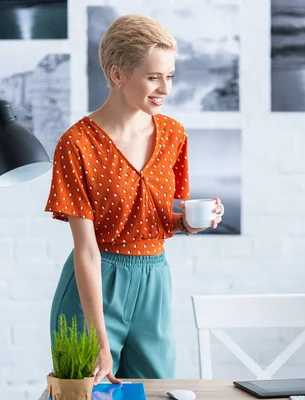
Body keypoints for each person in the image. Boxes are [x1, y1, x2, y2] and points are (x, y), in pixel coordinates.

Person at [44, 14, 223, 384]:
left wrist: (188, 224)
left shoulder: (174, 134)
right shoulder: (77, 144)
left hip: (155, 280)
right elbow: (86, 250)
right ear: (117, 74)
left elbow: (154, 220)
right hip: (96, 283)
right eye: (153, 76)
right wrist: (98, 340)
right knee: (85, 391)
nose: (165, 89)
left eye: (170, 76)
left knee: (155, 389)